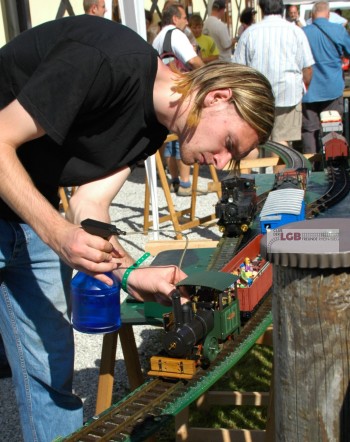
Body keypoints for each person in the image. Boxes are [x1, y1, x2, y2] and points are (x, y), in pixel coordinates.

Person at [0, 14, 275, 442]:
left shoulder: (151, 129)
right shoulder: (104, 60)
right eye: (230, 145)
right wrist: (57, 233)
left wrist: (130, 273)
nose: (222, 164)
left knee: (51, 370)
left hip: (21, 209)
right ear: (218, 97)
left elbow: (89, 206)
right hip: (26, 206)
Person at [233, 0, 314, 171]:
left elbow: (238, 70)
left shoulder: (250, 33)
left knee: (252, 141)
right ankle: (280, 186)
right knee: (281, 141)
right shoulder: (295, 31)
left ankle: (245, 181)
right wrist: (302, 88)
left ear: (261, 9)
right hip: (288, 93)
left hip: (258, 96)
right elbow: (307, 68)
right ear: (283, 9)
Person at [153, 2, 205, 196]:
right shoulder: (175, 34)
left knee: (170, 141)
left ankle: (175, 181)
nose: (186, 22)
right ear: (175, 18)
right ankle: (184, 183)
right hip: (179, 93)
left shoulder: (158, 38)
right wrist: (209, 75)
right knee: (185, 138)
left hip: (163, 96)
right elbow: (193, 61)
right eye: (184, 18)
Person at [302, 1, 350, 153]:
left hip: (308, 91)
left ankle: (311, 168)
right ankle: (333, 167)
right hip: (332, 89)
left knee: (309, 131)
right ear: (328, 15)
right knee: (332, 131)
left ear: (312, 15)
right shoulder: (338, 30)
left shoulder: (302, 32)